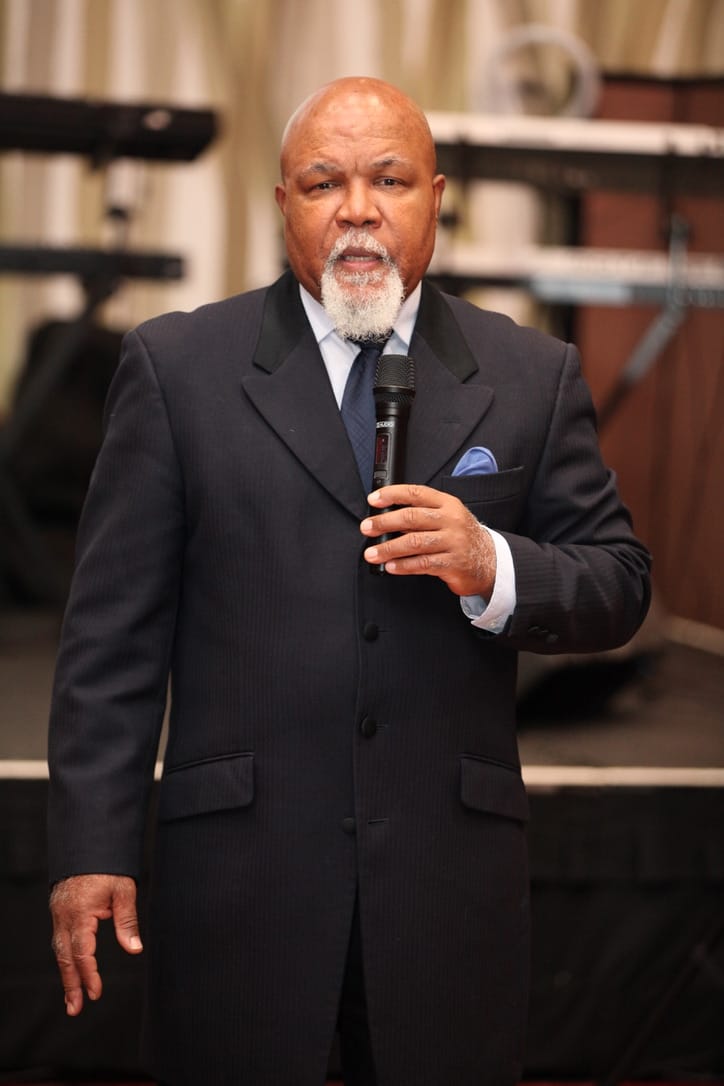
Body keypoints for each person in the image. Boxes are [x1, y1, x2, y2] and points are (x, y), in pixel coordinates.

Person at [47, 77, 651, 1086]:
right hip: (240, 880)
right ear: (284, 202)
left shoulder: (530, 374)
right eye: (325, 182)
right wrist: (88, 848)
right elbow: (111, 641)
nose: (358, 209)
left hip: (446, 887)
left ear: (436, 200)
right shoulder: (178, 367)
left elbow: (619, 583)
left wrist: (492, 563)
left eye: (391, 180)